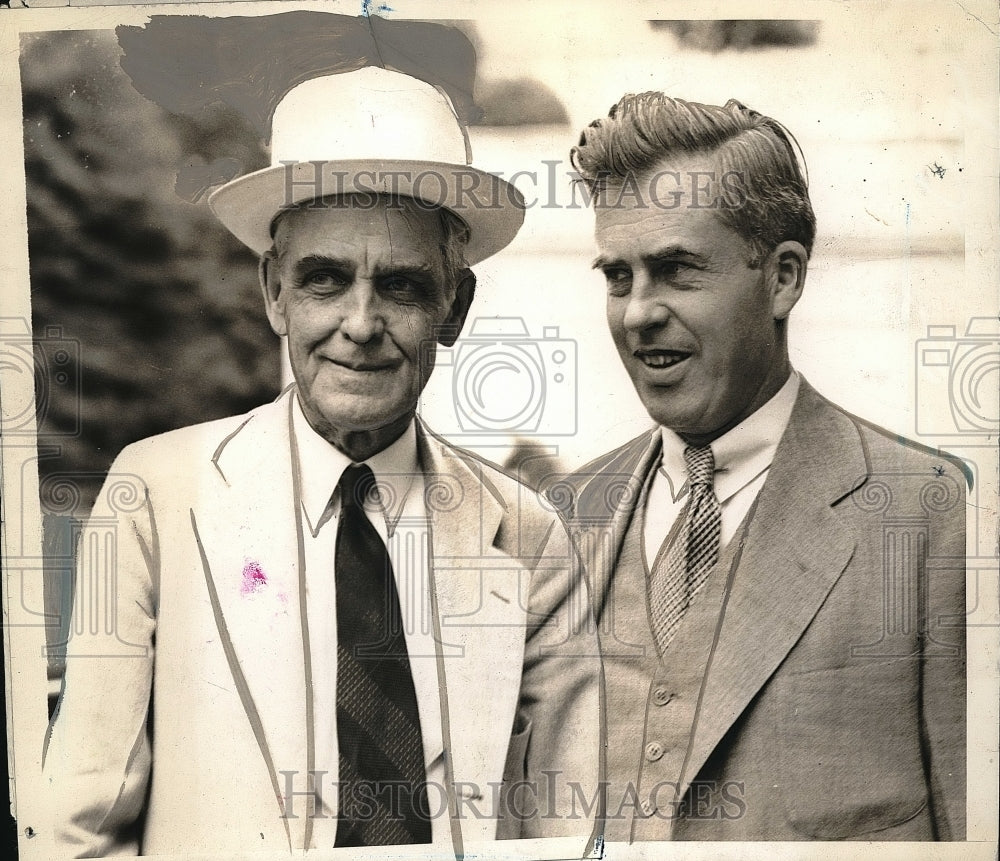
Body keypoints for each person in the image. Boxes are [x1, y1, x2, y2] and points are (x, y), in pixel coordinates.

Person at [43, 66, 600, 855]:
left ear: (455, 306)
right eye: (325, 280)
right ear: (275, 292)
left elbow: (567, 833)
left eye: (402, 286)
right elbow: (76, 823)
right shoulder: (155, 497)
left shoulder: (529, 538)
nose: (360, 324)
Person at [557, 93, 967, 841]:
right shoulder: (555, 519)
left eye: (675, 269)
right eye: (618, 277)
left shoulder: (937, 519)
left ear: (783, 278)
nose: (638, 311)